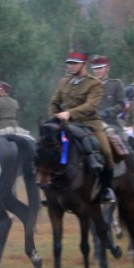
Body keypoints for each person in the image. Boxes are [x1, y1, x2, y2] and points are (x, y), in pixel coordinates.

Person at [49, 51, 116, 203]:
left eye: (75, 64)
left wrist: (69, 113)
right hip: (67, 124)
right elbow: (54, 102)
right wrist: (55, 117)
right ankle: (51, 188)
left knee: (106, 152)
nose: (71, 66)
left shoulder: (94, 83)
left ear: (83, 65)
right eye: (70, 64)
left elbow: (90, 105)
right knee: (48, 148)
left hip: (90, 124)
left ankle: (106, 189)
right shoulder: (64, 82)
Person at [91, 55, 126, 129]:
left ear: (107, 68)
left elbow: (121, 105)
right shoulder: (89, 86)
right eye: (95, 68)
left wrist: (107, 112)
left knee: (117, 135)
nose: (97, 71)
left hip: (110, 122)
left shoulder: (116, 84)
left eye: (100, 68)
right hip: (91, 122)